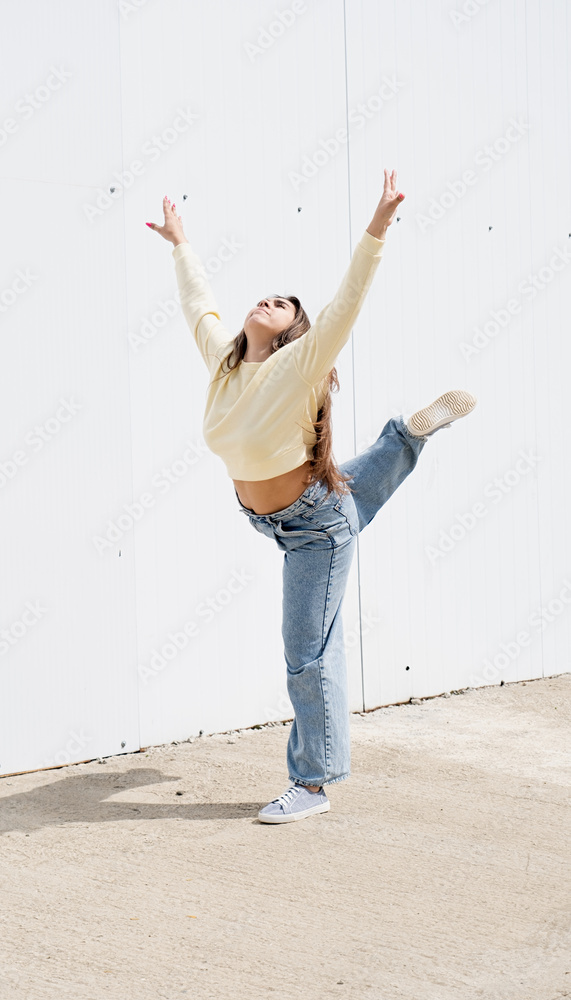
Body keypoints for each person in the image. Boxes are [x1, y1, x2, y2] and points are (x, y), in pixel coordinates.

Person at [145, 170, 477, 824]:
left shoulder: (296, 368)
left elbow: (344, 303)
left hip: (308, 531)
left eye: (283, 305)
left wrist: (377, 227)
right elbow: (197, 304)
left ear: (297, 336)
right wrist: (180, 242)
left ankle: (312, 785)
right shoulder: (224, 362)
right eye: (265, 297)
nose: (268, 301)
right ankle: (403, 439)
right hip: (289, 516)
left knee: (307, 651)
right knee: (348, 499)